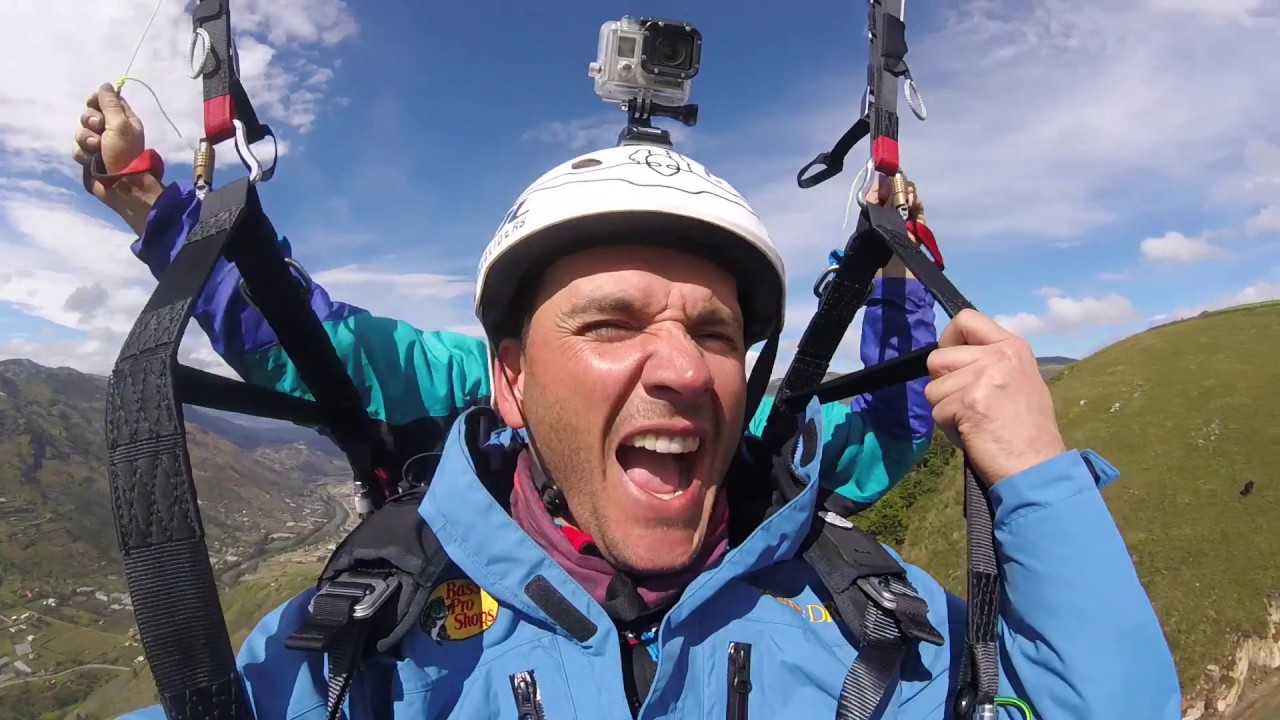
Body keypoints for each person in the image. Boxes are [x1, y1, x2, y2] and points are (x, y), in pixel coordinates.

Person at [76, 86, 1181, 718]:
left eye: (713, 331)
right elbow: (333, 352)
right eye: (606, 324)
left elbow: (875, 435)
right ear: (509, 377)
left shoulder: (863, 632)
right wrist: (160, 209)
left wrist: (1032, 472)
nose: (680, 368)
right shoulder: (367, 653)